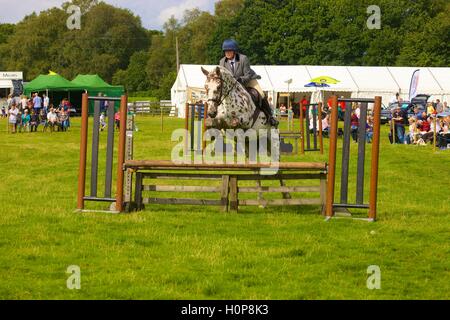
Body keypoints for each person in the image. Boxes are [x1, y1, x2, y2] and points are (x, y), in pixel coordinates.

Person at [219, 39, 278, 127]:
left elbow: (247, 75)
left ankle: (270, 116)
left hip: (248, 80)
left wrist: (239, 80)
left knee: (261, 94)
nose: (227, 53)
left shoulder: (243, 59)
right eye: (226, 51)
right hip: (233, 84)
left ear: (234, 51)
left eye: (229, 51)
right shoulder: (222, 62)